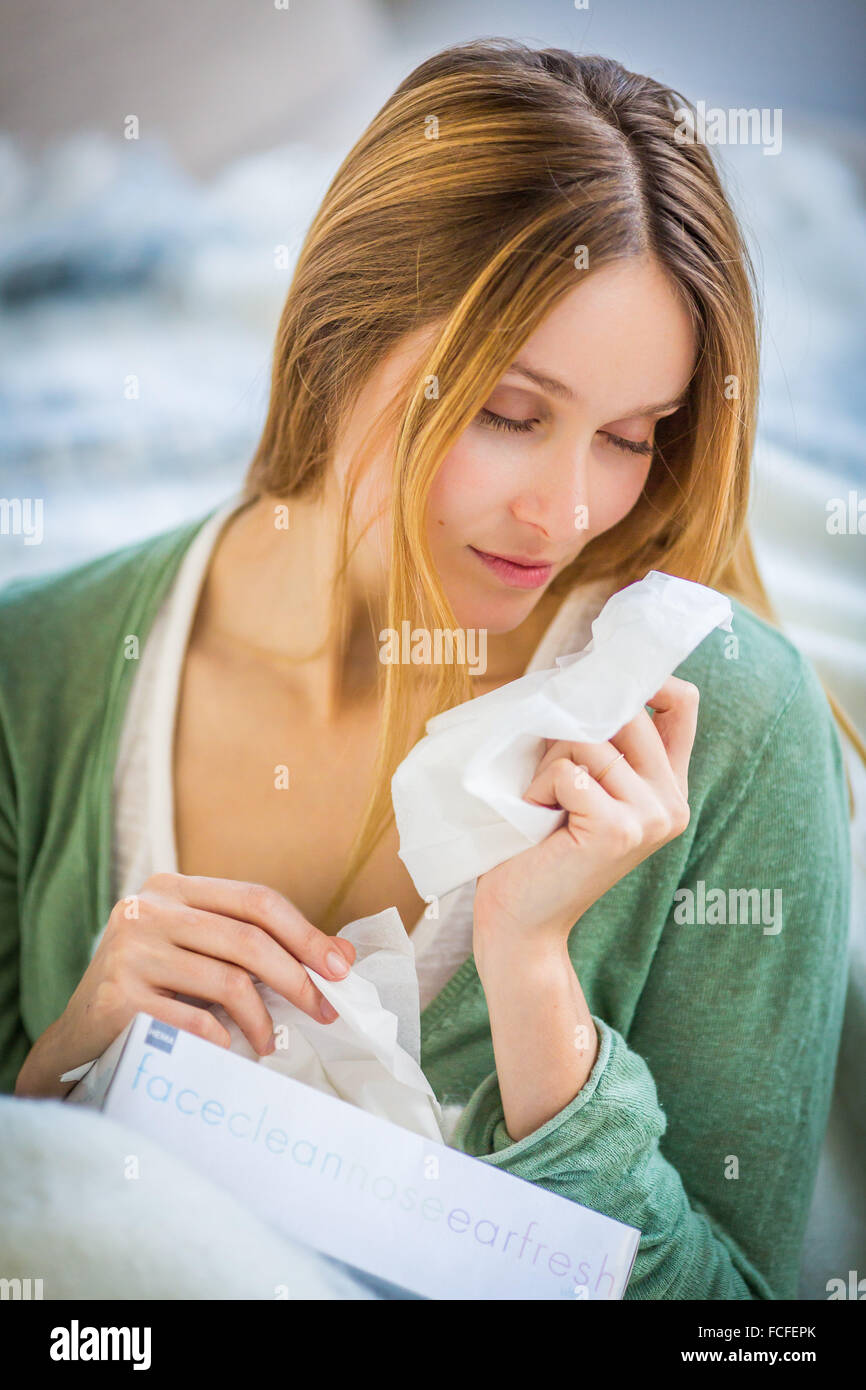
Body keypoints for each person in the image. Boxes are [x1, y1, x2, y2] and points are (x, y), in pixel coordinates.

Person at [2, 39, 862, 1299]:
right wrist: (56, 1078)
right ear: (339, 337)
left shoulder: (728, 724)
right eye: (510, 415)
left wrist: (533, 988)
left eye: (629, 438)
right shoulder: (42, 673)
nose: (566, 512)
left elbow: (744, 1322)